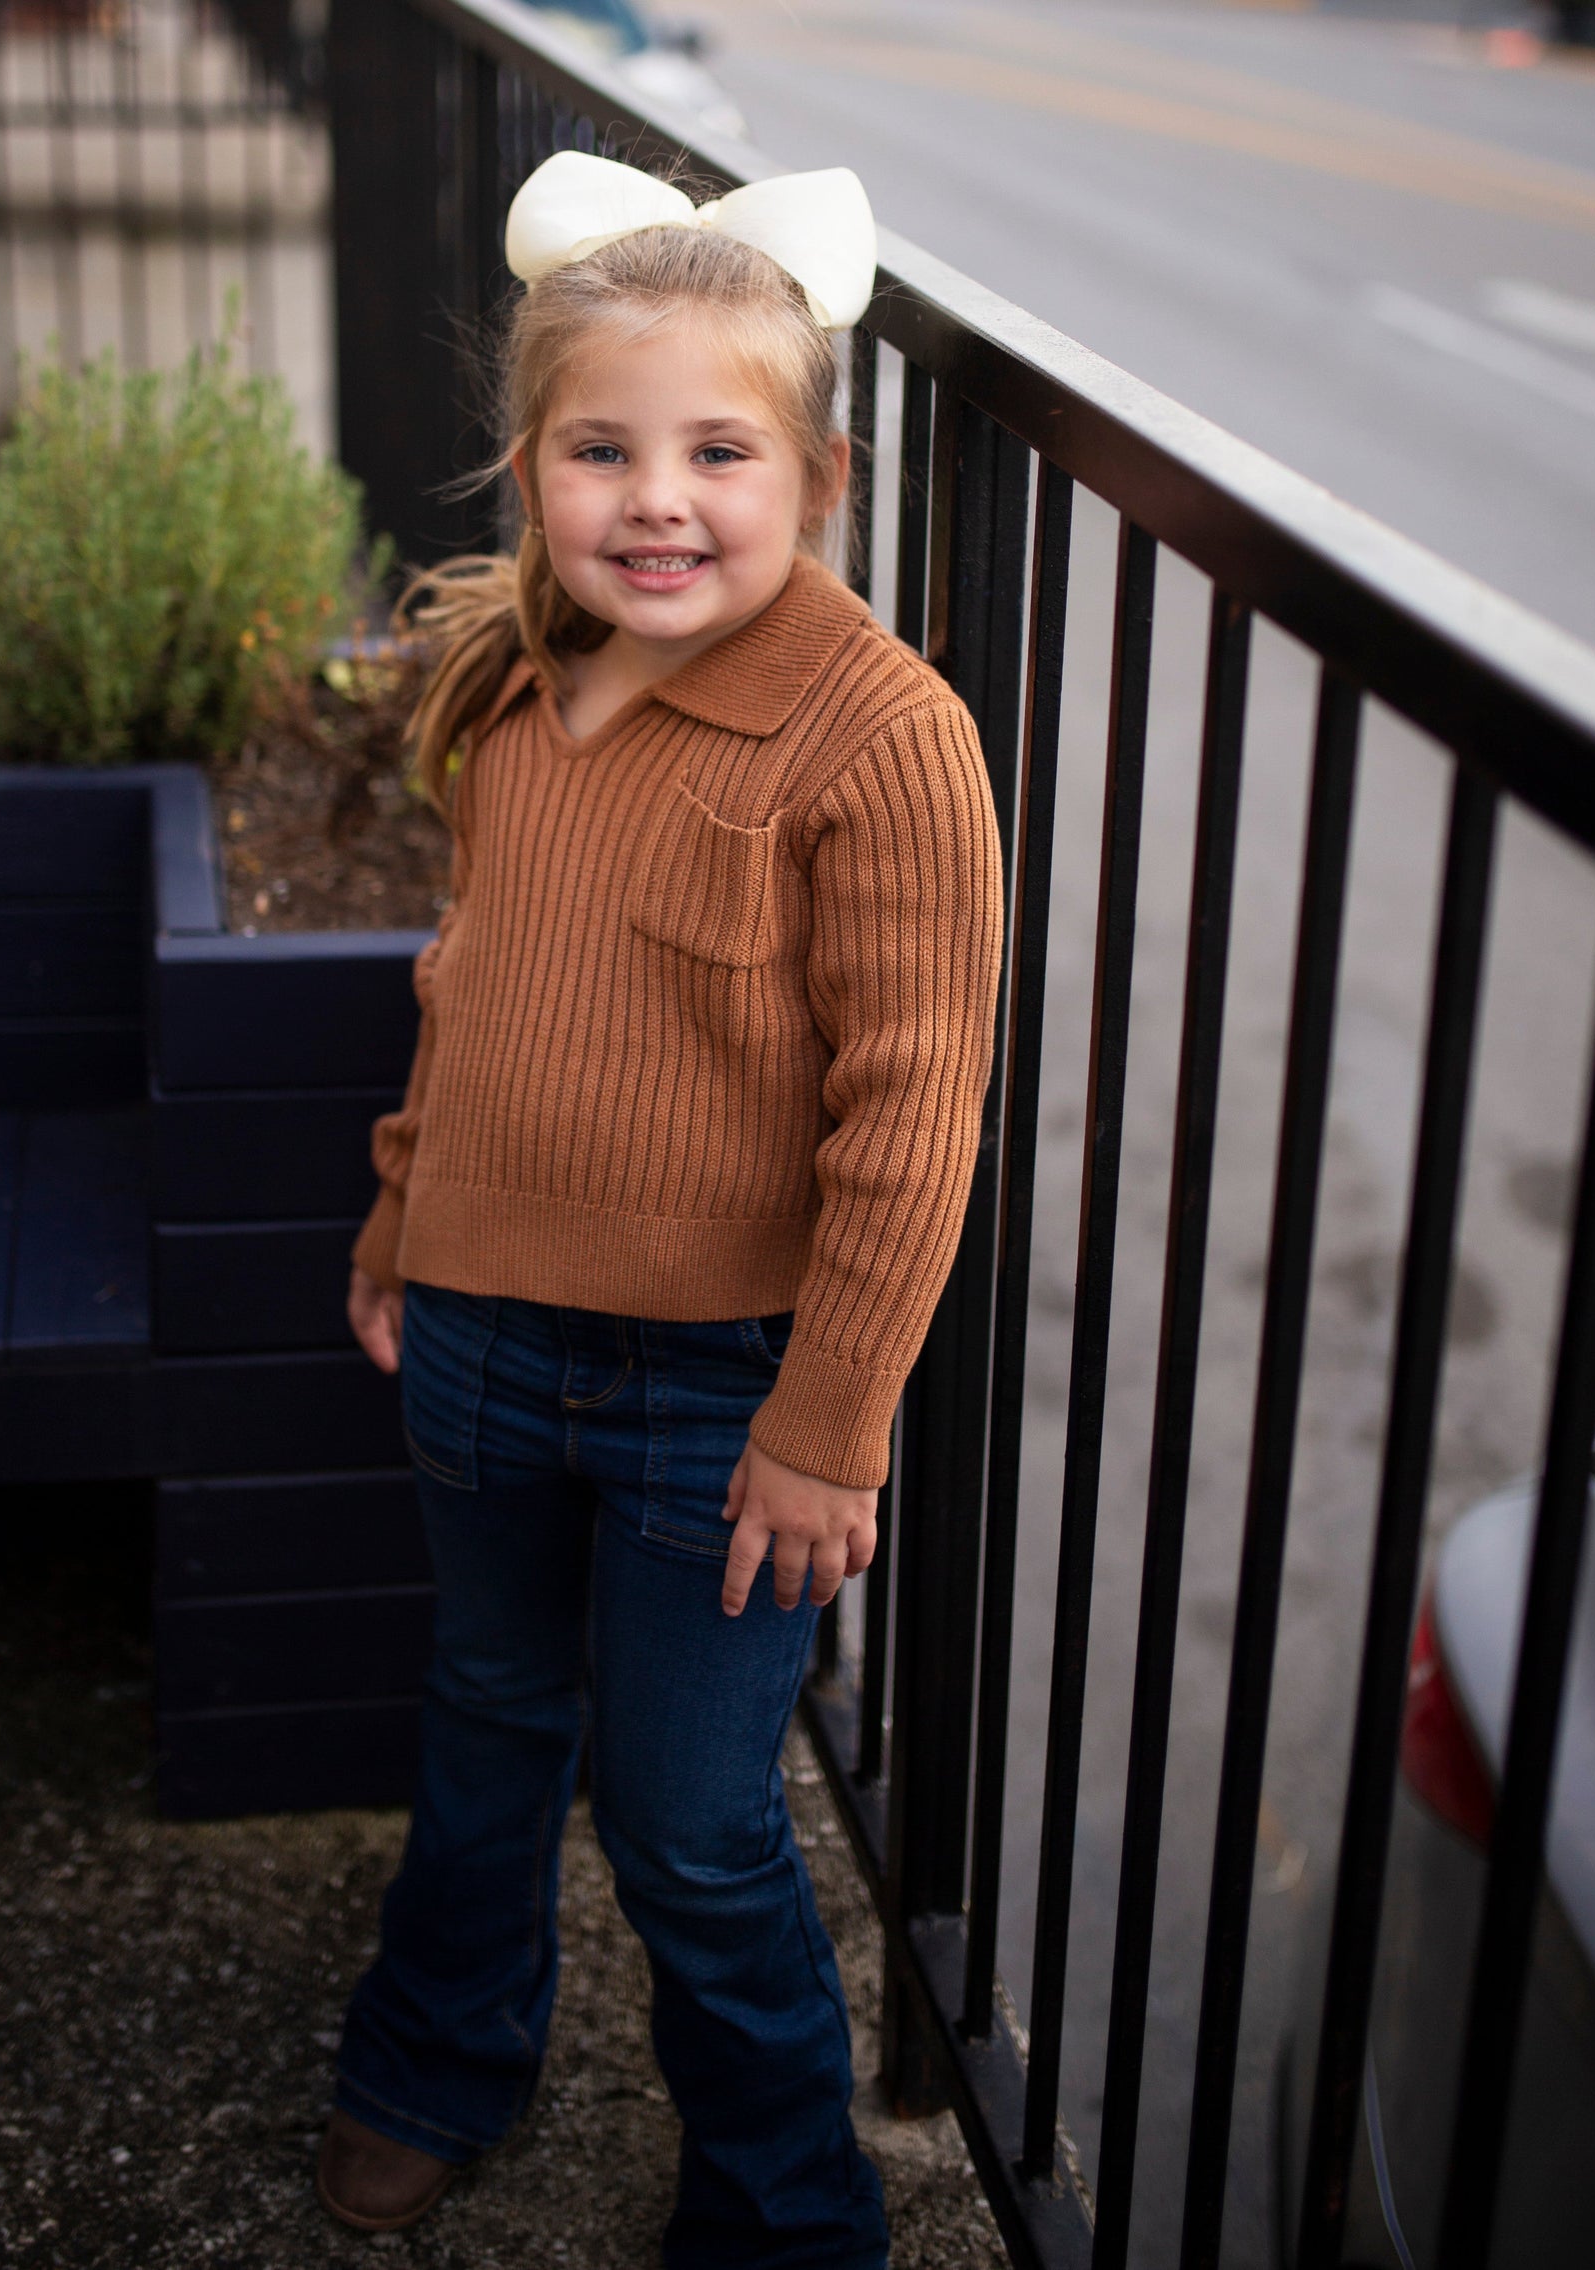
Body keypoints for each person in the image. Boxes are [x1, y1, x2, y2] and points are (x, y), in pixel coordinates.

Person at [320, 149, 1004, 2269]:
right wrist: (398, 1213)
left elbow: (909, 1119)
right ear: (529, 472)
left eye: (719, 449)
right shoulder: (517, 689)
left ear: (818, 470)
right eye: (600, 449)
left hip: (723, 1397)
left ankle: (786, 2204)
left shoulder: (879, 739)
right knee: (487, 1715)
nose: (658, 499)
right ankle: (440, 2054)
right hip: (483, 1332)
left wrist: (824, 1424)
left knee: (700, 1828)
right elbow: (476, 988)